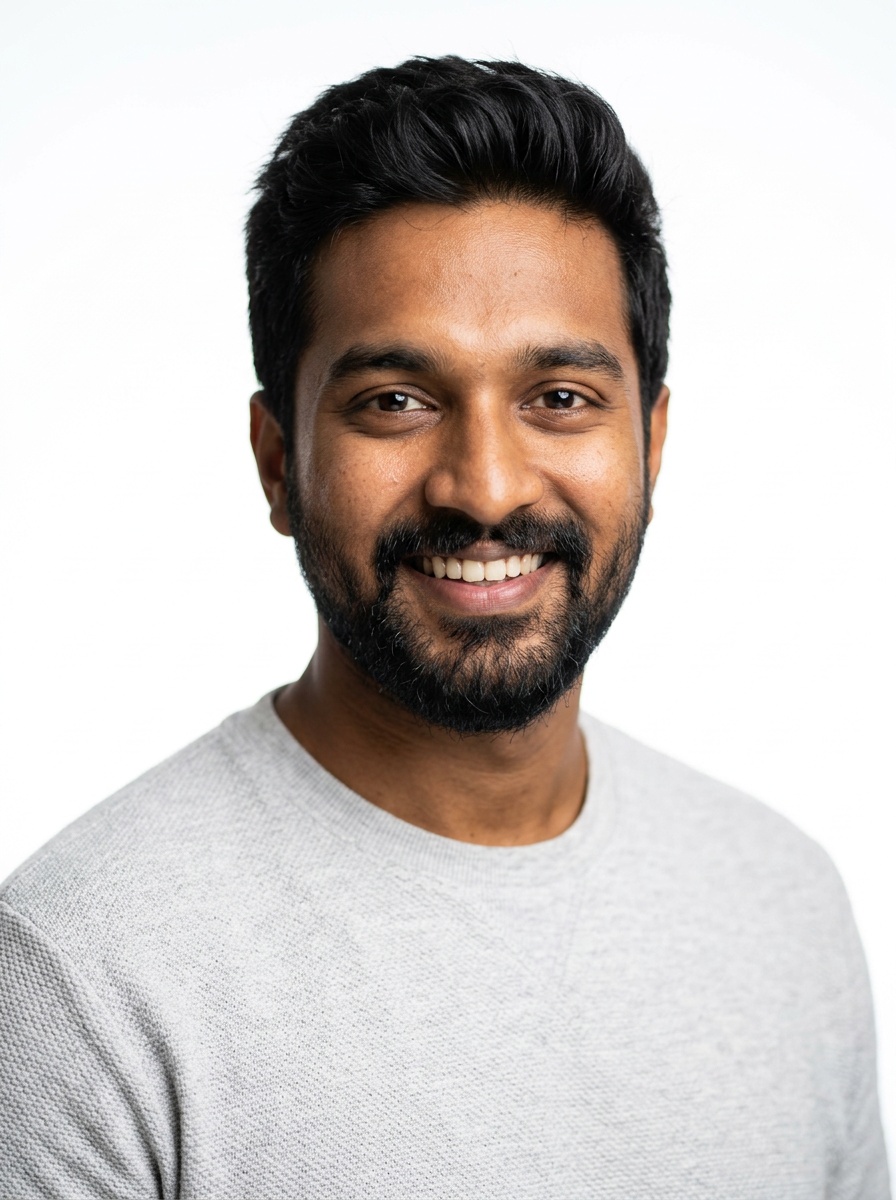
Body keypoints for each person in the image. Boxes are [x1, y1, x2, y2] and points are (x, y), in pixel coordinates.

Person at [0, 54, 888, 1199]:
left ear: (650, 445)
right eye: (395, 402)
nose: (483, 486)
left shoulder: (783, 908)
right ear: (279, 465)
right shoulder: (84, 973)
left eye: (558, 398)